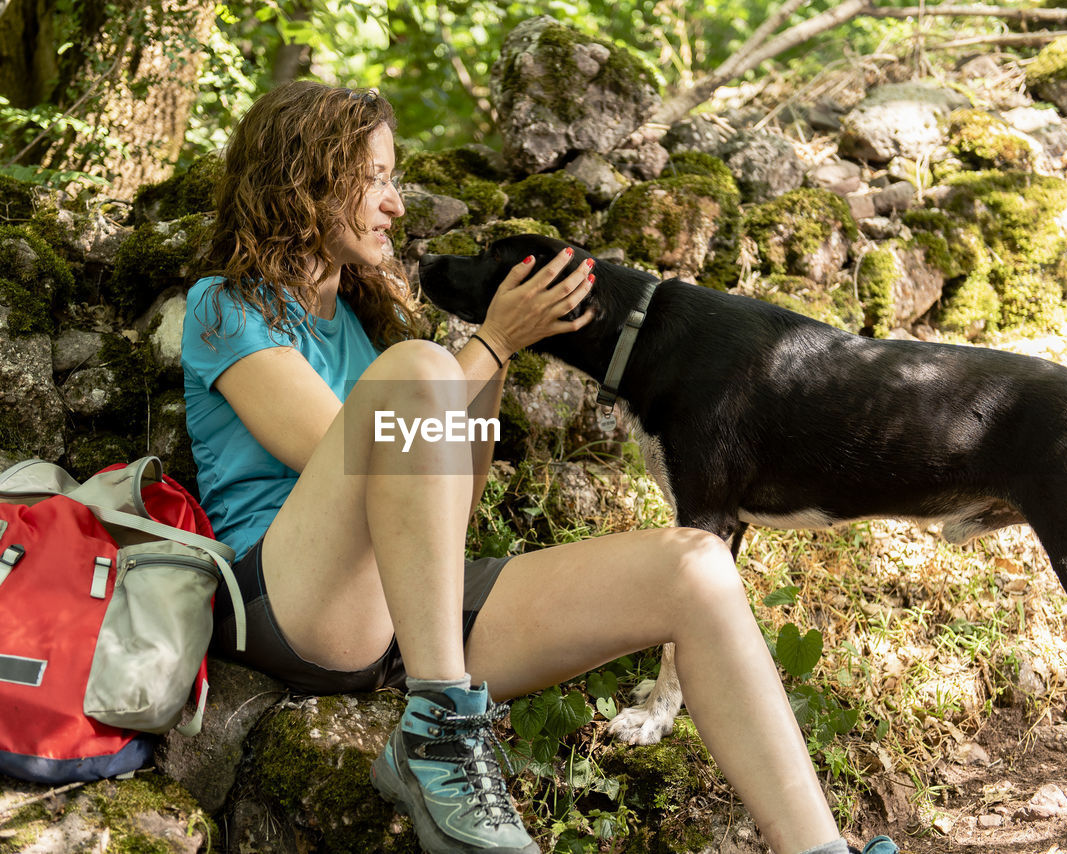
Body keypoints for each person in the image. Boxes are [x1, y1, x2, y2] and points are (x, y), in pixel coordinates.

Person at [180, 79, 899, 854]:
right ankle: (444, 731)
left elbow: (459, 490)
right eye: (376, 177)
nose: (394, 203)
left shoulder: (360, 322)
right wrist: (481, 346)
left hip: (413, 612)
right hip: (297, 604)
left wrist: (501, 348)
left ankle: (818, 849)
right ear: (308, 180)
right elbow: (342, 449)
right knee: (418, 364)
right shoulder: (224, 308)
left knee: (696, 566)